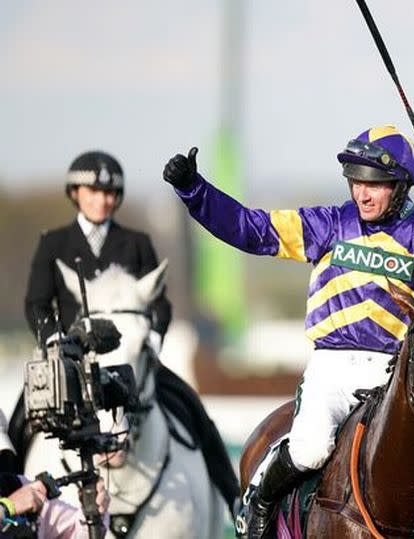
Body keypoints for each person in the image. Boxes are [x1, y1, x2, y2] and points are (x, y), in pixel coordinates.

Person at [162, 124, 414, 537]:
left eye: (375, 185)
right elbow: (249, 228)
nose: (362, 194)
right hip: (334, 368)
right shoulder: (326, 224)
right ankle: (258, 502)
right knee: (310, 449)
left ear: (400, 186)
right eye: (357, 182)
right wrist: (194, 190)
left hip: (395, 370)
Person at [15, 150, 239, 518]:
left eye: (110, 194)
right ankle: (11, 492)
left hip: (132, 361)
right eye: (94, 192)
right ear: (76, 193)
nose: (102, 200)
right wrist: (55, 342)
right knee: (20, 416)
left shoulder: (136, 243)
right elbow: (37, 303)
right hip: (71, 365)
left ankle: (232, 497)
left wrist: (150, 340)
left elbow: (160, 306)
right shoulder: (54, 243)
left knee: (192, 407)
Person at [1, 409, 111, 539]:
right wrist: (7, 508)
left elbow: (75, 532)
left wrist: (92, 512)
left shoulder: (16, 486)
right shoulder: (17, 498)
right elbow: (11, 505)